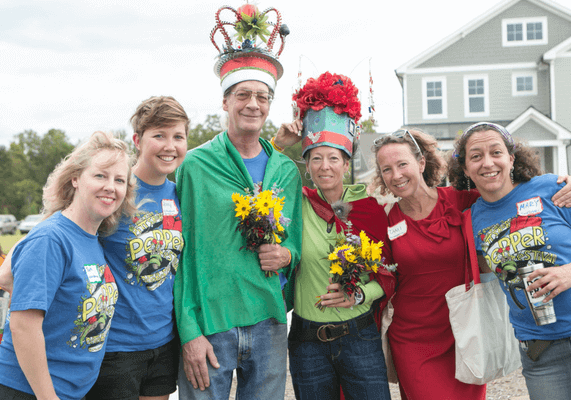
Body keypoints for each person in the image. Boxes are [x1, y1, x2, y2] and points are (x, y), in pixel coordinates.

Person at [371, 128, 571, 400]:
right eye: (386, 169)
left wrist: (570, 182)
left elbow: (509, 197)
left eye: (402, 164)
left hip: (469, 329)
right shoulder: (385, 219)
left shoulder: (464, 201)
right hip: (413, 339)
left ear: (421, 163)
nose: (396, 175)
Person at [174, 3, 301, 399]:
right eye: (243, 94)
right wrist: (189, 331)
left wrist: (287, 255)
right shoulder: (195, 166)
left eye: (262, 97)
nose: (253, 104)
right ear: (225, 102)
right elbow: (181, 251)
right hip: (210, 324)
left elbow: (296, 242)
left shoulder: (286, 171)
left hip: (268, 322)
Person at [447, 121, 571, 400]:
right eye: (476, 156)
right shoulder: (473, 218)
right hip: (541, 348)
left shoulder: (551, 188)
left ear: (511, 158)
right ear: (466, 168)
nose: (488, 163)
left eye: (496, 152)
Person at [273, 71, 396, 399]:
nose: (324, 166)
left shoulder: (370, 209)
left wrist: (357, 295)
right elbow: (258, 181)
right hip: (306, 344)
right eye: (316, 158)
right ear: (307, 166)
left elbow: (386, 275)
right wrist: (276, 144)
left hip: (360, 338)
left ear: (345, 164)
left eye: (333, 158)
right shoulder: (296, 205)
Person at [0, 131, 135, 400]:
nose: (111, 186)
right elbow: (24, 326)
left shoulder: (92, 240)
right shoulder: (52, 239)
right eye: (100, 175)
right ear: (75, 179)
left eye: (120, 180)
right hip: (28, 390)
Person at [86, 96, 189, 400]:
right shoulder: (115, 188)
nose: (169, 146)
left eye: (178, 136)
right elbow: (61, 228)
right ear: (138, 140)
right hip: (115, 348)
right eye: (159, 135)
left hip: (163, 343)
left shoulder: (181, 193)